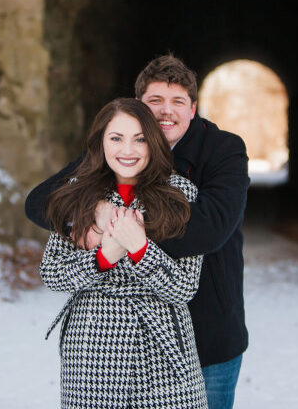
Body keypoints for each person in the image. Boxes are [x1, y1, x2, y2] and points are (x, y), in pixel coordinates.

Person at [27, 54, 250, 409]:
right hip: (100, 349)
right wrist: (91, 212)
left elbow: (210, 229)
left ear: (193, 108)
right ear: (138, 108)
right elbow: (41, 201)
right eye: (154, 101)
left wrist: (129, 233)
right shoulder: (113, 152)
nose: (166, 111)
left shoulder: (222, 151)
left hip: (204, 325)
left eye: (177, 101)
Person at [40, 97, 207, 408]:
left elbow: (185, 287)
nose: (127, 150)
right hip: (92, 348)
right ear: (101, 142)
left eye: (139, 139)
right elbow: (52, 273)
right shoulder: (77, 193)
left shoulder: (180, 193)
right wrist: (103, 258)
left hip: (162, 345)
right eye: (116, 138)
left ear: (153, 143)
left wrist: (141, 249)